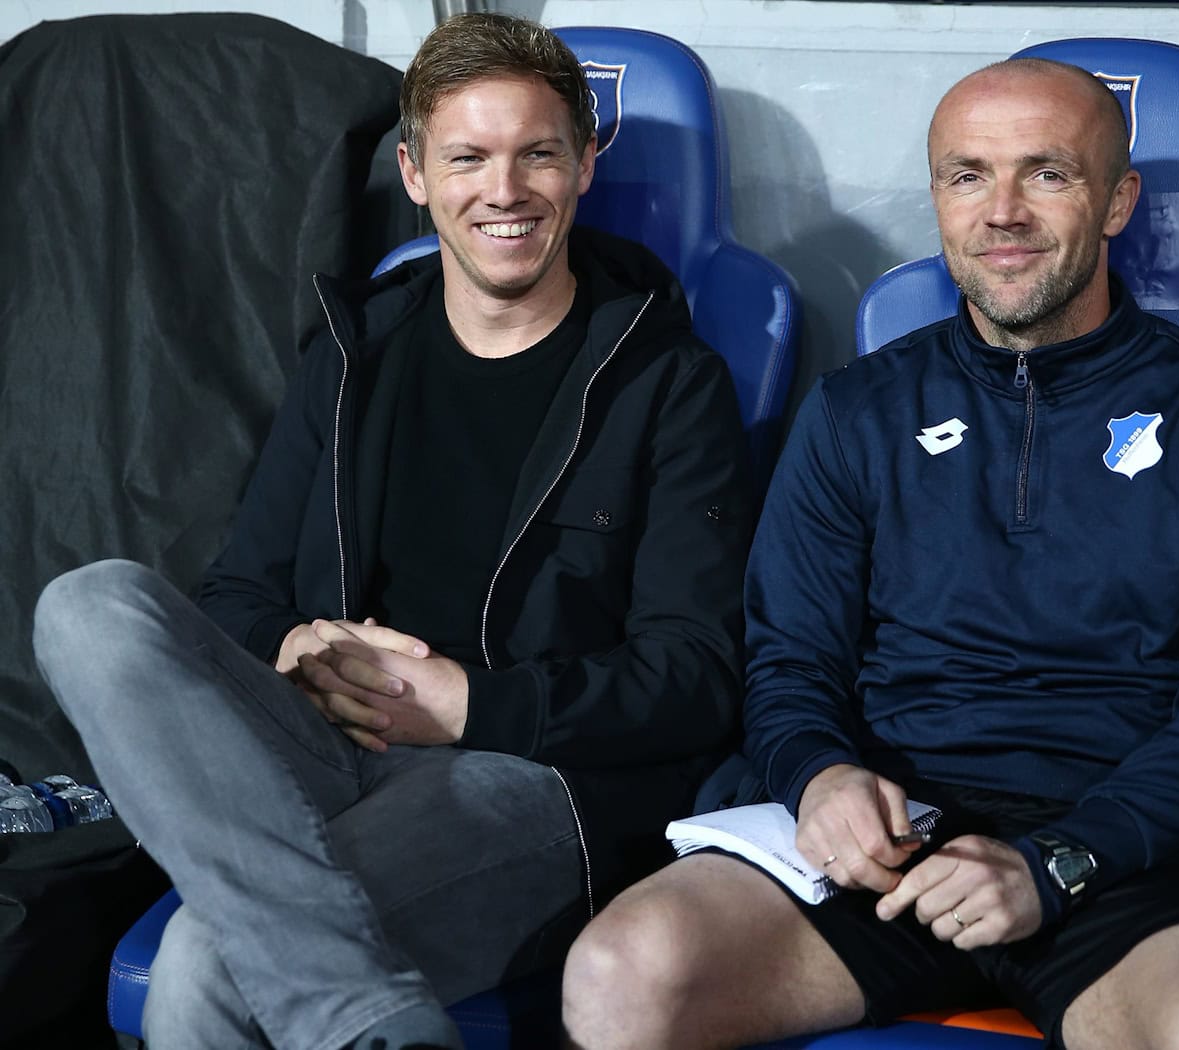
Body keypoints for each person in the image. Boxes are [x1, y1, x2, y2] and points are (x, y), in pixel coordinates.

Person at [561, 57, 1179, 1050]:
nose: (999, 210)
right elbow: (787, 662)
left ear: (1116, 201)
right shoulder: (856, 409)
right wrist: (818, 776)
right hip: (892, 838)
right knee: (620, 974)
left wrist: (1056, 861)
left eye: (1044, 173)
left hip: (1126, 851)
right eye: (966, 175)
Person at [32, 12, 751, 1050]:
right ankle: (378, 1024)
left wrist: (469, 703)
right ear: (415, 173)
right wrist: (298, 651)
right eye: (467, 157)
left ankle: (364, 1020)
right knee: (87, 603)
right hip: (318, 736)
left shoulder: (668, 381)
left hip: (525, 779)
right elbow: (238, 594)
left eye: (536, 153)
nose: (501, 192)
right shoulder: (354, 349)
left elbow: (697, 677)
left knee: (203, 968)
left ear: (584, 164)